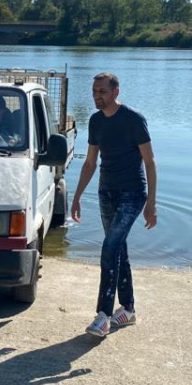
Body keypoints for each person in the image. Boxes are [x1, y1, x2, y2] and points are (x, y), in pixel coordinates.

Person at [70, 72, 157, 338]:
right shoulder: (95, 121)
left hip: (132, 193)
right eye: (94, 92)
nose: (97, 96)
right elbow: (90, 162)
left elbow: (150, 161)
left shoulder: (133, 119)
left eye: (102, 92)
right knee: (118, 248)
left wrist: (151, 203)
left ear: (116, 92)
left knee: (109, 247)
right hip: (106, 192)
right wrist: (75, 198)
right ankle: (128, 309)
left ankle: (103, 315)